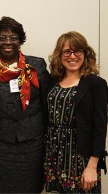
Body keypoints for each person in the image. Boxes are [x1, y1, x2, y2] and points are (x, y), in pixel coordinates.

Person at [0, 16, 50, 193]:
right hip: (1, 146)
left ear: (20, 40)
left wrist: (49, 142)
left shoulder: (36, 66)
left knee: (32, 189)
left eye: (13, 38)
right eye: (2, 38)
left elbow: (47, 105)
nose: (8, 42)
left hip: (33, 144)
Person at [44, 31, 107, 193]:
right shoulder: (52, 81)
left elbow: (100, 127)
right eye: (67, 51)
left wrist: (92, 166)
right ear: (60, 54)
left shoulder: (96, 84)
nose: (72, 56)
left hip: (80, 159)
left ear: (85, 54)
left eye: (77, 51)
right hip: (53, 156)